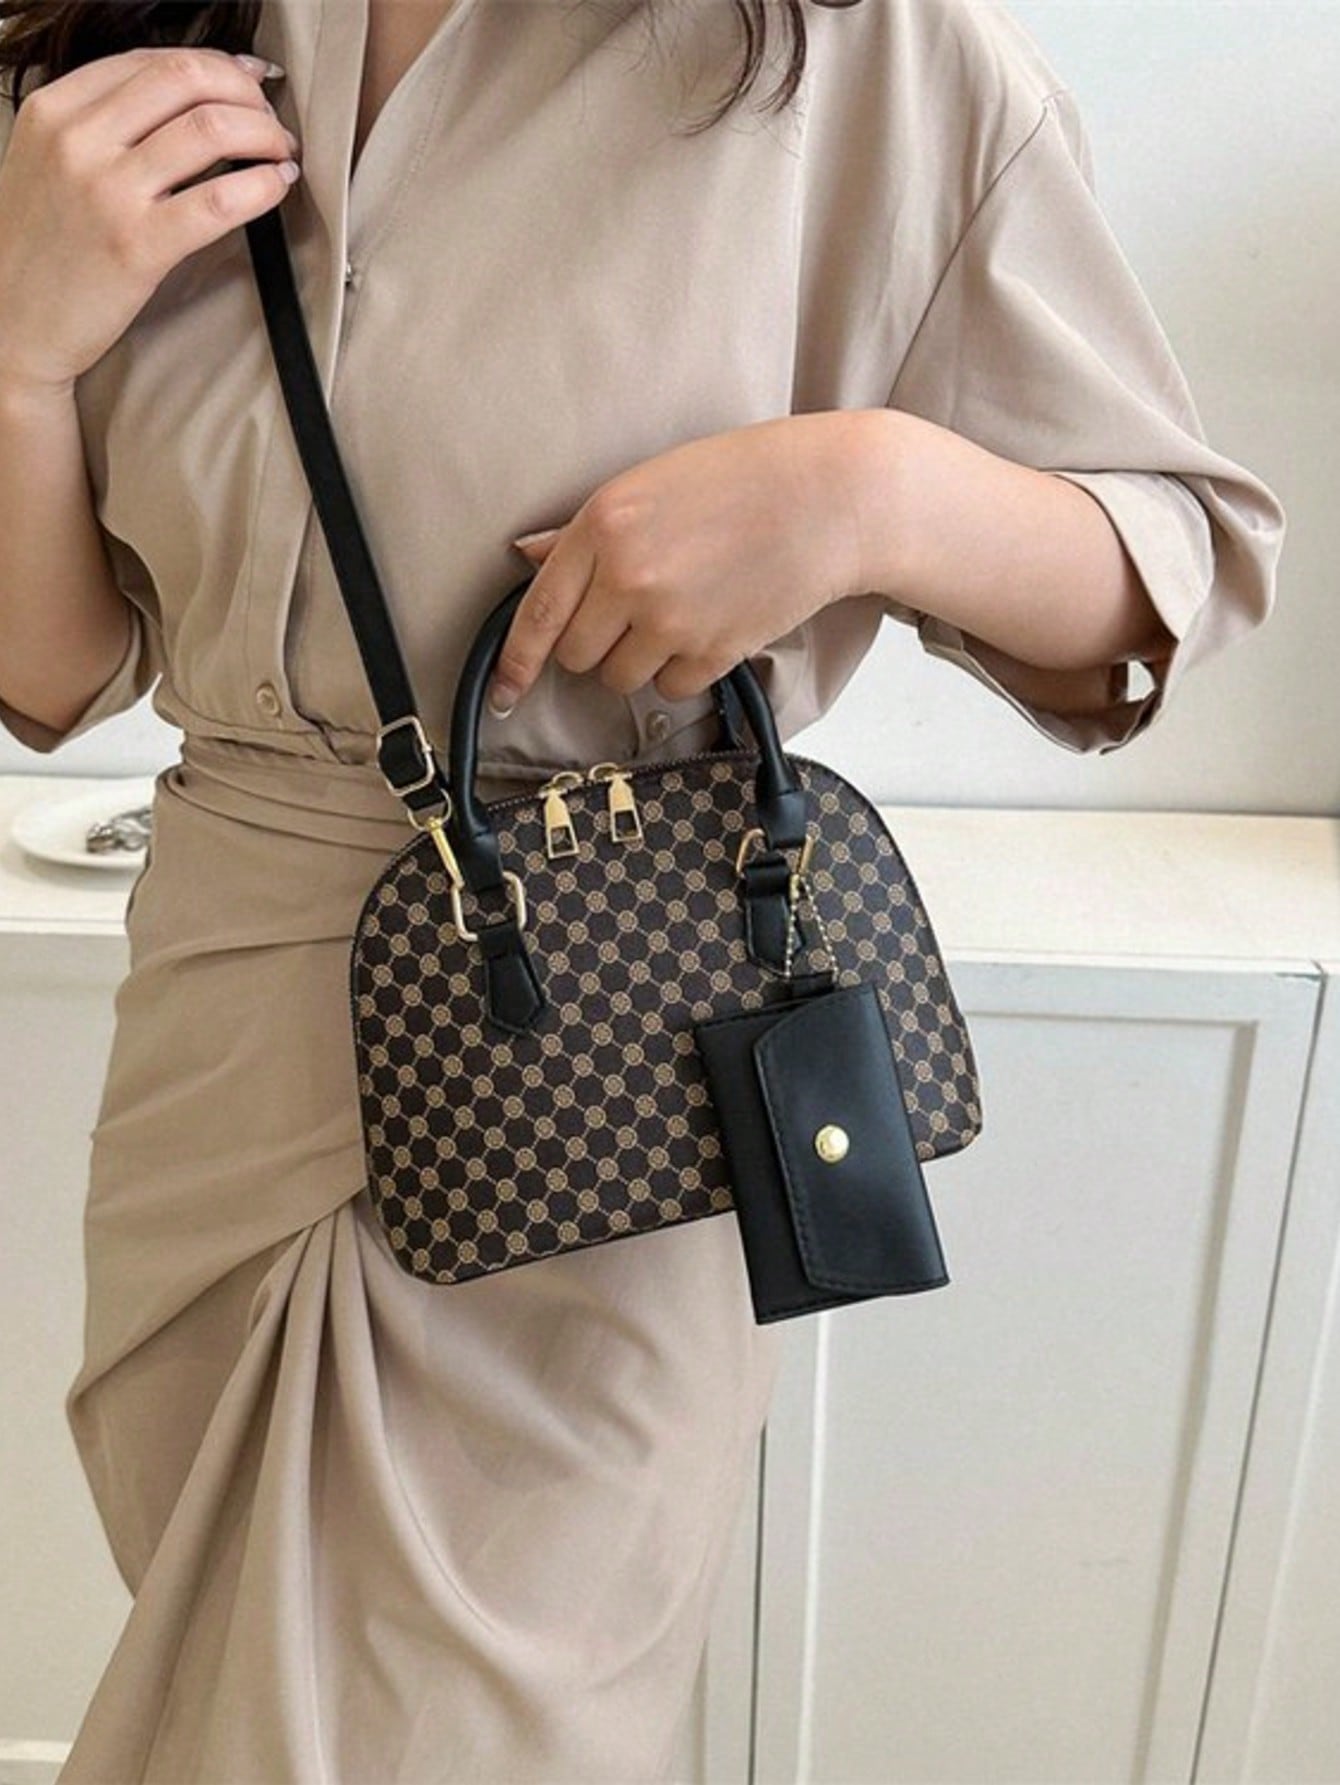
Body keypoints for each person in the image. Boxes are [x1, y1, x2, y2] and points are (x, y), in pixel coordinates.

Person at [0, 0, 1285, 1777]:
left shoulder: (870, 59)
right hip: (210, 1092)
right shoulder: (115, 35)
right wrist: (14, 354)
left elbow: (1172, 566)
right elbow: (59, 667)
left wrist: (870, 493)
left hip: (593, 1104)